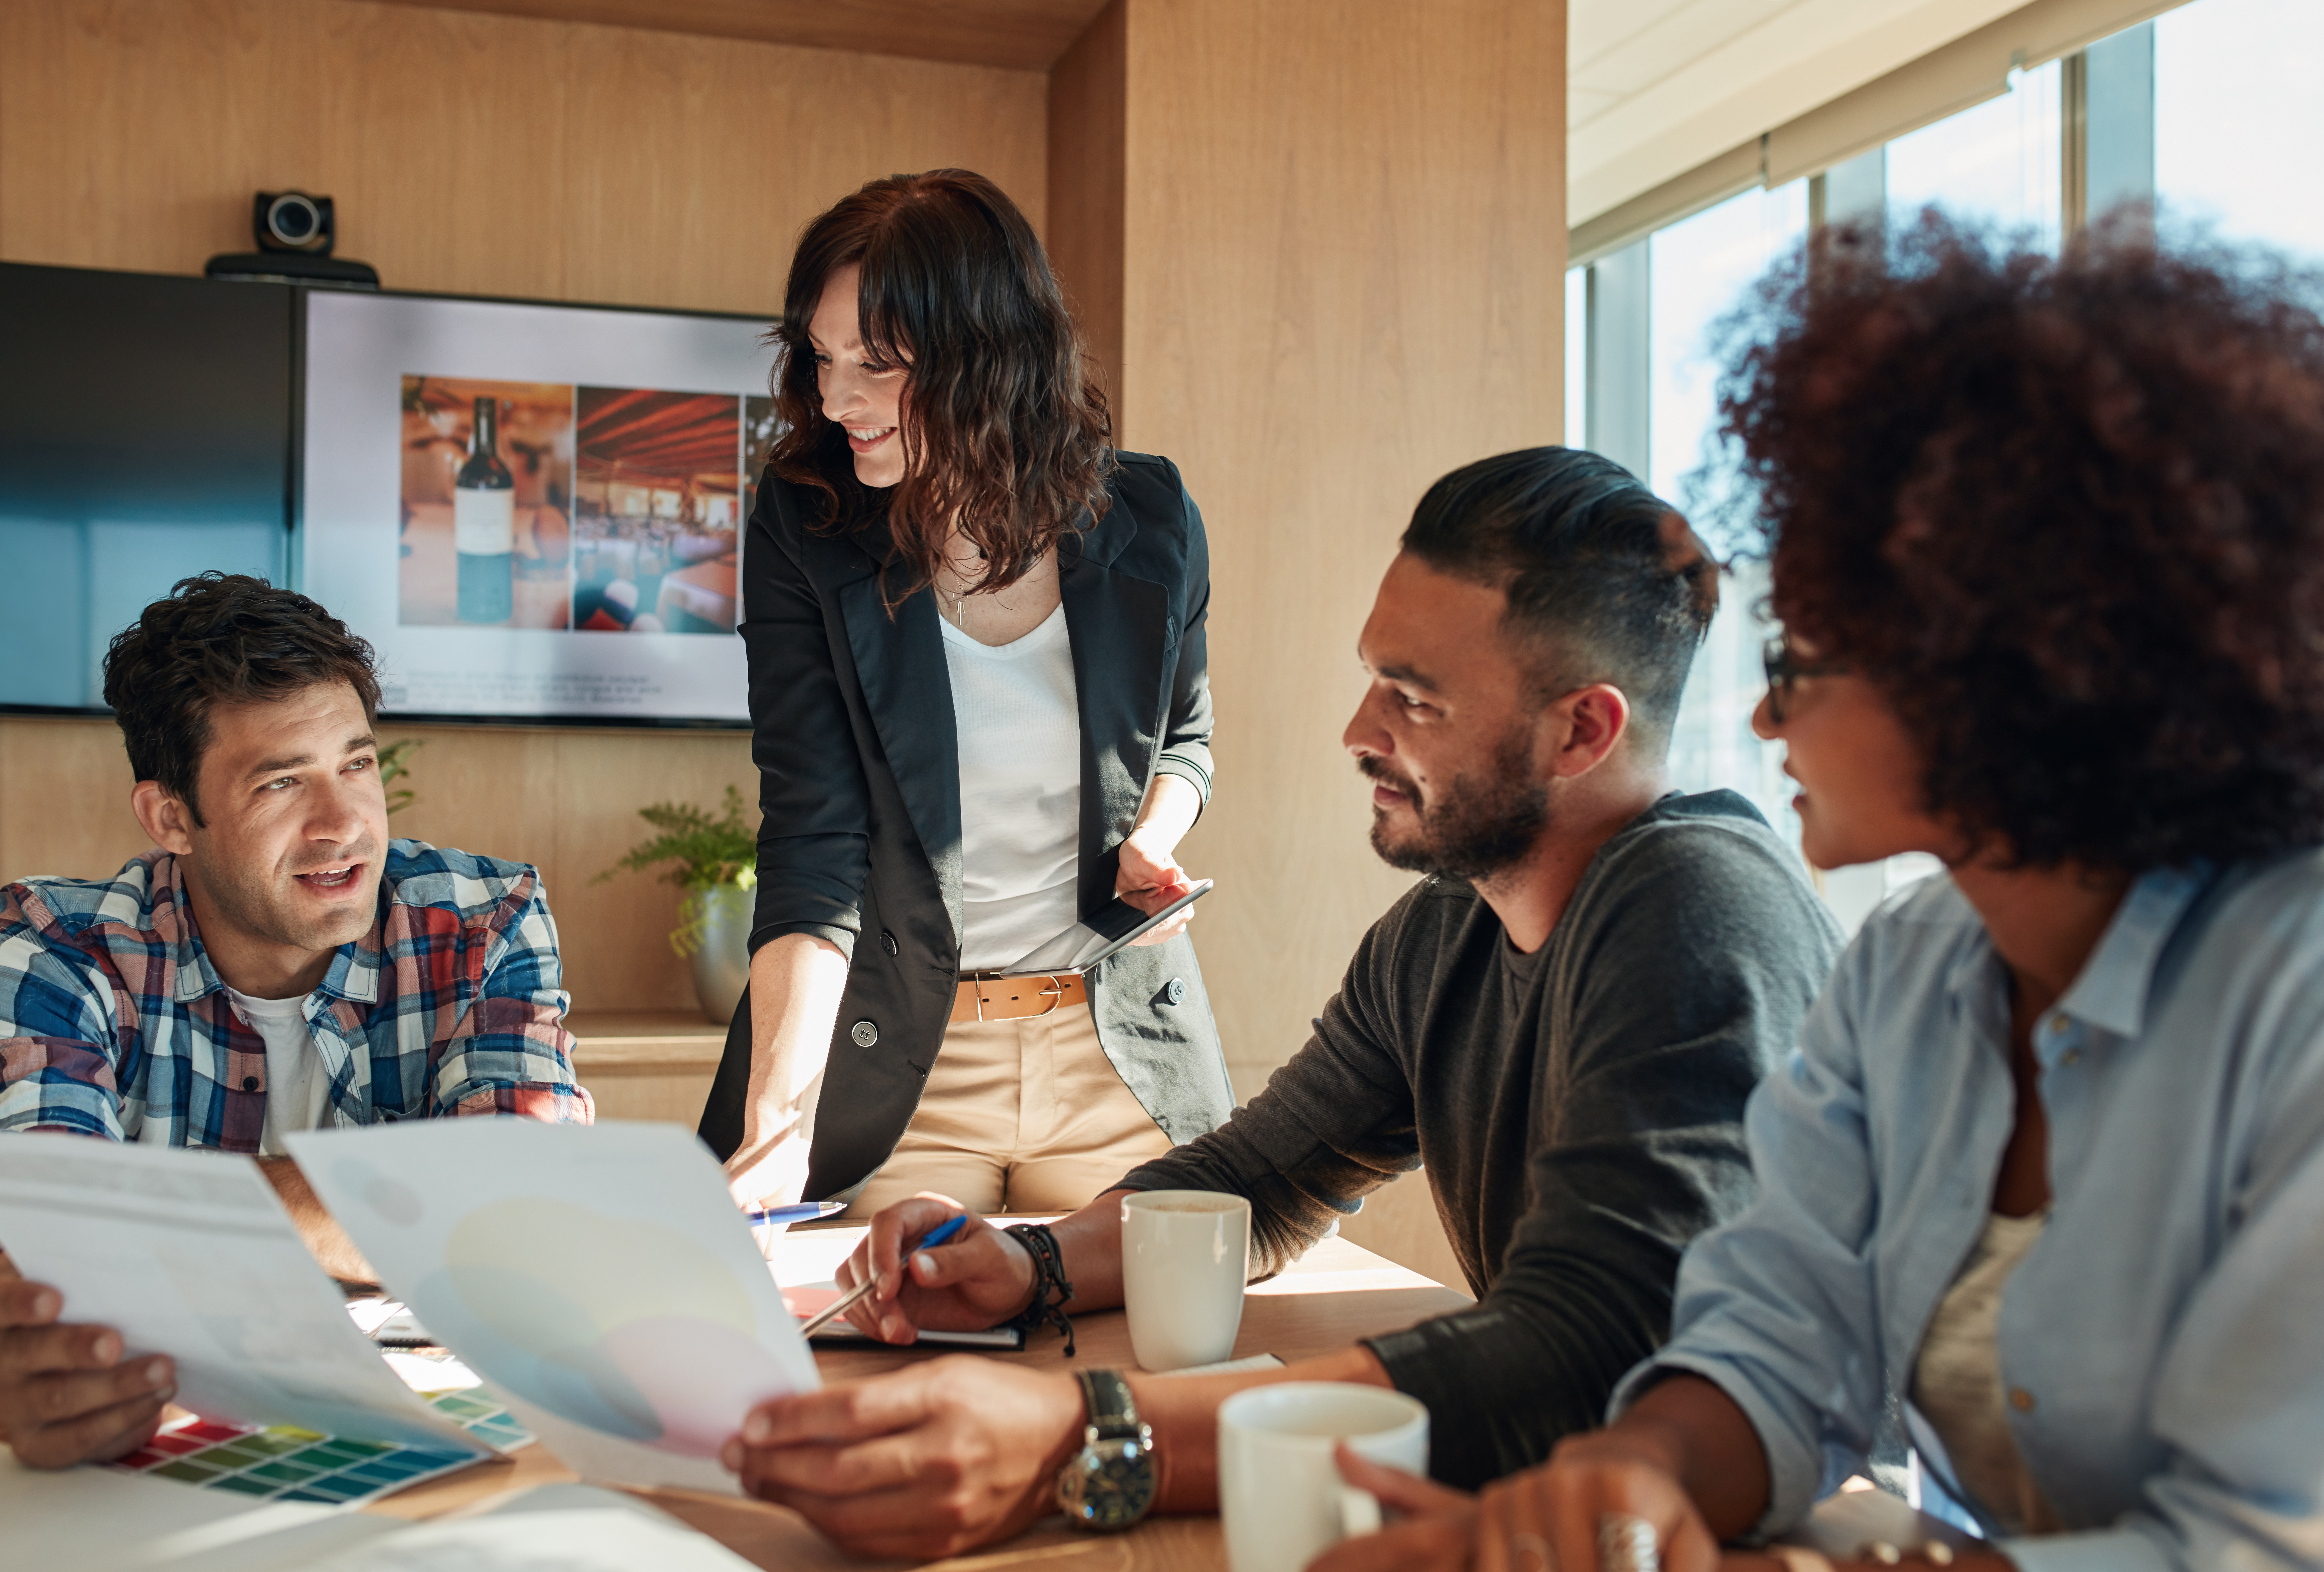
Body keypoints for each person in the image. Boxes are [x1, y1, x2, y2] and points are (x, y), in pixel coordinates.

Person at [1328, 218, 2324, 1572]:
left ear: (2014, 675)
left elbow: (2257, 1544)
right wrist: (1630, 1475)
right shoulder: (1909, 975)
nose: (1760, 712)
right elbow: (1773, 1344)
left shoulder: (2294, 1008)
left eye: (1804, 656)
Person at [719, 447, 1847, 1560]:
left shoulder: (1697, 908)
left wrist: (1088, 1430)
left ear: (1580, 731)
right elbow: (1253, 1179)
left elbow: (1587, 1351)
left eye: (1413, 700)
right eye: (1373, 679)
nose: (1360, 732)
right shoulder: (1444, 932)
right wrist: (1031, 1266)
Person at [0, 571, 590, 1470]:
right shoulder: (52, 948)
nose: (344, 824)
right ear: (171, 816)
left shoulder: (484, 917)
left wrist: (136, 1217)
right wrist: (401, 1208)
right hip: (151, 1456)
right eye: (281, 784)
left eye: (358, 765)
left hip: (436, 1446)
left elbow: (510, 1207)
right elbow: (43, 1259)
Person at [699, 168, 1226, 1219]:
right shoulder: (807, 525)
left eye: (878, 365)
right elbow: (814, 840)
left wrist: (1157, 836)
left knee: (1169, 1347)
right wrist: (776, 1121)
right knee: (886, 1346)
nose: (837, 398)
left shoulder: (1150, 514)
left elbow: (1185, 741)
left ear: (992, 358)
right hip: (907, 1059)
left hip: (1119, 1047)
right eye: (822, 356)